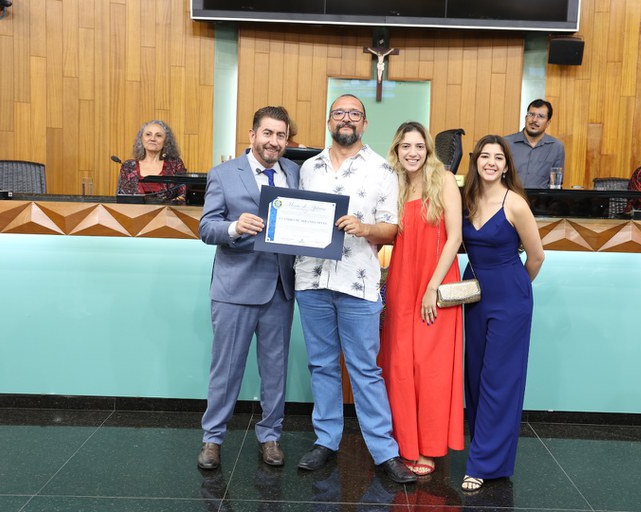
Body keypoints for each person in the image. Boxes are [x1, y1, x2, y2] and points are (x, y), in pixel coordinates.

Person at [293, 94, 416, 484]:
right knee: (322, 365)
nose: (346, 119)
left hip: (358, 281)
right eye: (339, 113)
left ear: (364, 123)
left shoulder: (383, 169)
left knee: (365, 368)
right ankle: (326, 441)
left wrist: (364, 228)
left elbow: (393, 229)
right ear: (329, 121)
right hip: (311, 278)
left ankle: (384, 451)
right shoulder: (308, 168)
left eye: (354, 114)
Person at [197, 106, 299, 470]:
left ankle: (270, 436)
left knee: (275, 370)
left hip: (280, 289)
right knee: (226, 370)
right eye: (267, 133)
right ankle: (212, 439)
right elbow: (206, 228)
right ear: (253, 135)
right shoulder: (223, 174)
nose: (274, 141)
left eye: (281, 135)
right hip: (235, 289)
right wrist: (235, 227)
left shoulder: (294, 173)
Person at [460, 134, 545, 492]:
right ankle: (490, 454)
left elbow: (537, 256)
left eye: (498, 157)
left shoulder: (516, 204)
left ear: (507, 166)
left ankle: (481, 463)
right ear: (476, 161)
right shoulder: (466, 199)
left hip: (509, 298)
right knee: (476, 376)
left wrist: (515, 291)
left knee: (499, 380)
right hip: (473, 296)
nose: (491, 162)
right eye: (485, 156)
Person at [379, 121, 465, 476]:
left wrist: (432, 287)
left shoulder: (444, 180)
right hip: (402, 281)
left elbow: (455, 237)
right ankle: (404, 444)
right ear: (396, 151)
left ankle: (428, 447)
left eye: (418, 146)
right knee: (399, 365)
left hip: (436, 282)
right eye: (405, 146)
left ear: (428, 149)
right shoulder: (393, 184)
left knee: (430, 368)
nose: (412, 152)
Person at [116, 120, 187, 203]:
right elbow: (121, 198)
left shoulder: (175, 164)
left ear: (165, 141)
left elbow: (183, 195)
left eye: (158, 135)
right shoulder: (128, 167)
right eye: (148, 134)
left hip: (168, 211)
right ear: (141, 139)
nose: (152, 139)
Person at [504, 99, 565, 189]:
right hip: (509, 196)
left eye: (541, 116)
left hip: (541, 197)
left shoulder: (556, 147)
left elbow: (556, 184)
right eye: (531, 114)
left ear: (548, 123)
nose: (534, 120)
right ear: (526, 118)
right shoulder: (506, 143)